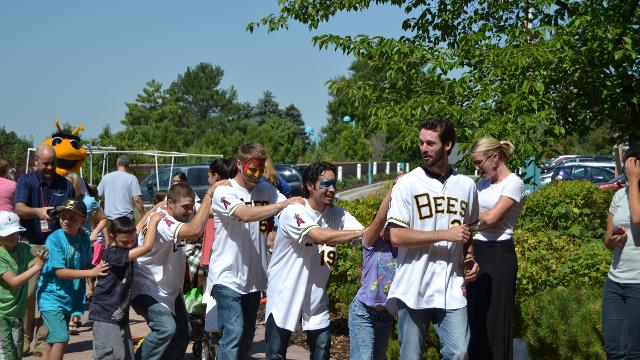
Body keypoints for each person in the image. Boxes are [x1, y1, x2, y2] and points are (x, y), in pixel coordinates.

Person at [386, 117, 479, 360]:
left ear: (447, 145)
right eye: (421, 143)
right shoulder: (407, 184)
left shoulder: (467, 185)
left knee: (459, 352)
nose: (423, 148)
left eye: (430, 143)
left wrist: (469, 257)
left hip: (452, 285)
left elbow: (469, 230)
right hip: (414, 285)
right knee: (411, 356)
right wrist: (444, 234)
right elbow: (395, 235)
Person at [207, 141, 304, 360]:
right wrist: (280, 206)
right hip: (226, 276)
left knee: (246, 337)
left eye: (261, 168)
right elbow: (244, 214)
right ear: (240, 164)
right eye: (253, 168)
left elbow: (291, 209)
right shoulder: (224, 191)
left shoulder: (266, 190)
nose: (257, 173)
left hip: (254, 278)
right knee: (233, 332)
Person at [265, 161, 365, 359]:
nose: (332, 189)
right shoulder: (294, 211)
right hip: (284, 295)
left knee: (321, 352)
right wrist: (362, 232)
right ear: (310, 186)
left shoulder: (337, 215)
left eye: (334, 184)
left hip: (316, 299)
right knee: (275, 354)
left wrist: (391, 198)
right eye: (326, 184)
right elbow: (319, 235)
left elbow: (365, 235)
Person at [131, 181, 224, 360]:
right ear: (170, 204)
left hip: (170, 290)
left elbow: (208, 212)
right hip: (147, 287)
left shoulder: (175, 210)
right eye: (186, 207)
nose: (190, 211)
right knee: (166, 329)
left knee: (184, 333)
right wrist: (209, 195)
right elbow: (194, 231)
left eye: (191, 207)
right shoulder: (163, 221)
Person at [466, 137, 525, 360]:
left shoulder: (514, 183)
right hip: (478, 251)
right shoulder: (482, 183)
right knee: (476, 321)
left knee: (496, 323)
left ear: (495, 157)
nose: (477, 167)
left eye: (480, 162)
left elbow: (491, 218)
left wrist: (470, 218)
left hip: (500, 256)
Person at [14, 143, 74, 355]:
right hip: (31, 245)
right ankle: (25, 338)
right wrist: (38, 212)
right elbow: (19, 208)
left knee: (53, 295)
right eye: (45, 164)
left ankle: (42, 341)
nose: (49, 167)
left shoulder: (65, 184)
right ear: (36, 162)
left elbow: (73, 210)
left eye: (53, 163)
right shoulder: (27, 181)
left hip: (57, 246)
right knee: (28, 295)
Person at [36, 197, 109, 360]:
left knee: (53, 340)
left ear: (83, 220)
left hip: (69, 297)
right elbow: (60, 272)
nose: (67, 221)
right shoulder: (54, 239)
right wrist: (91, 274)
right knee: (62, 338)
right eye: (63, 216)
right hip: (51, 296)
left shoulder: (83, 237)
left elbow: (87, 263)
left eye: (73, 218)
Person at [89, 214, 162, 360]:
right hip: (105, 315)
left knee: (127, 355)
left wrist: (157, 207)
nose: (130, 244)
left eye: (133, 240)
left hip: (119, 316)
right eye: (124, 242)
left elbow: (139, 225)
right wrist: (154, 221)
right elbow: (147, 247)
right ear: (112, 236)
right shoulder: (113, 254)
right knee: (111, 356)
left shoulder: (125, 244)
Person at [348, 186, 396, 360]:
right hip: (363, 313)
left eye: (394, 225)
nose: (389, 229)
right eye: (386, 225)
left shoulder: (402, 249)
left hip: (386, 316)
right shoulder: (371, 244)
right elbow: (380, 218)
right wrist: (393, 190)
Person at [601, 147, 640, 359]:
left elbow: (637, 219)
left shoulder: (632, 188)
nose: (629, 170)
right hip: (615, 281)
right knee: (614, 349)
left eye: (633, 166)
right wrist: (612, 240)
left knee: (634, 352)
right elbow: (607, 240)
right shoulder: (618, 195)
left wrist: (633, 182)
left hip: (638, 282)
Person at [0, 211, 48, 360]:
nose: (13, 236)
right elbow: (13, 282)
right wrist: (37, 266)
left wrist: (45, 250)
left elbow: (43, 249)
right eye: (8, 233)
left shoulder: (22, 248)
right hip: (2, 314)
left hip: (17, 313)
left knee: (16, 354)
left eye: (15, 232)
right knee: (6, 356)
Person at [97, 155, 144, 220]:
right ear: (128, 165)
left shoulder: (106, 177)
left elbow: (97, 195)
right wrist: (143, 215)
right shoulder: (132, 178)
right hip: (126, 219)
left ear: (117, 164)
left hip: (110, 219)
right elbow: (137, 199)